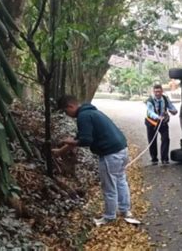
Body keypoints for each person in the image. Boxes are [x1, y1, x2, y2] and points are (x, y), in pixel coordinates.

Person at [52, 95, 139, 226]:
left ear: (71, 106)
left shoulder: (83, 117)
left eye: (65, 111)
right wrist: (60, 152)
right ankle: (125, 211)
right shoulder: (91, 112)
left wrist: (71, 141)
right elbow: (80, 137)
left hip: (110, 154)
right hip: (122, 149)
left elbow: (86, 140)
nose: (67, 115)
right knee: (120, 180)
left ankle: (109, 216)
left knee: (109, 186)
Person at [145, 84, 178, 165]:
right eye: (156, 92)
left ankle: (164, 159)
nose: (157, 94)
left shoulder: (165, 99)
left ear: (162, 91)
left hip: (162, 122)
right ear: (153, 92)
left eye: (159, 92)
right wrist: (157, 117)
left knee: (165, 139)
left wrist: (174, 111)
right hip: (151, 122)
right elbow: (150, 112)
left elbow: (171, 106)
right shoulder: (150, 100)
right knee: (152, 141)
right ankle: (154, 158)